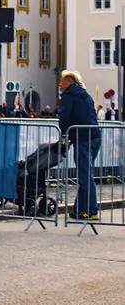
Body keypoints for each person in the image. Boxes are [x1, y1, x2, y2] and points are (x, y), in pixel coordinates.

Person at [58, 69, 101, 220]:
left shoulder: (69, 96)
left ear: (70, 82)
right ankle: (79, 210)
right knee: (86, 172)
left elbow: (64, 117)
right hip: (95, 135)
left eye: (62, 81)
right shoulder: (86, 95)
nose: (60, 84)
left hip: (82, 138)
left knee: (85, 175)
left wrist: (64, 135)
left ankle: (91, 210)